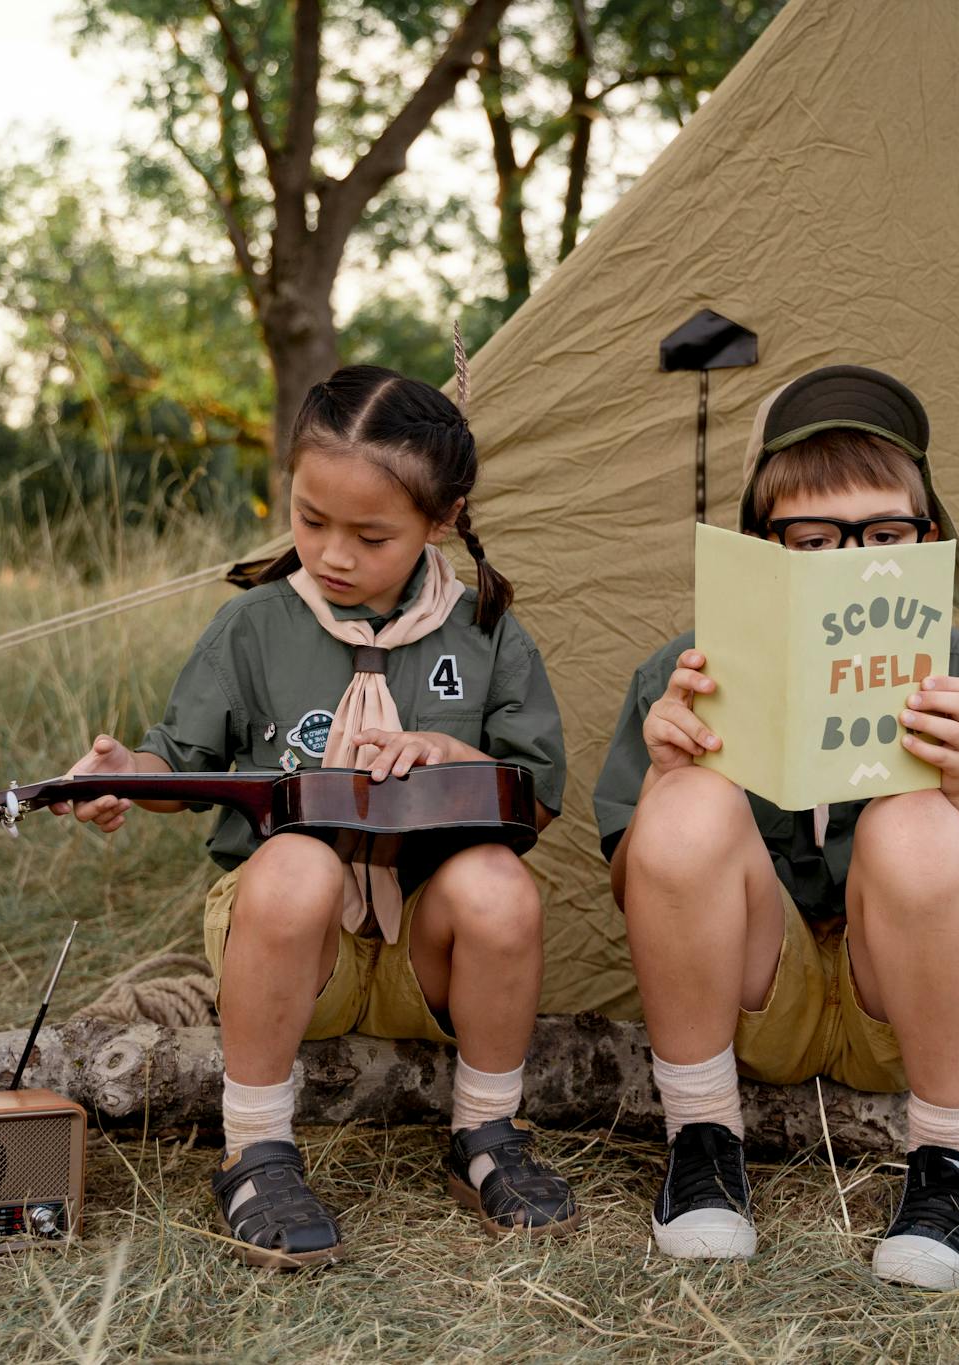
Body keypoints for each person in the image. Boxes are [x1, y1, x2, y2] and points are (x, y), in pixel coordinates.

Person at [57, 364, 578, 1269]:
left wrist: (457, 759)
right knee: (300, 859)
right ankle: (255, 1147)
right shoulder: (255, 625)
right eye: (310, 519)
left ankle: (487, 1133)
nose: (333, 554)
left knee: (500, 883)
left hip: (424, 949)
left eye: (370, 535)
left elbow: (535, 790)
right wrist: (123, 773)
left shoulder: (485, 629)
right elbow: (176, 762)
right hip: (297, 943)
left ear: (441, 519)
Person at [591, 364, 959, 1290]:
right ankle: (702, 1144)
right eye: (812, 540)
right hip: (758, 1000)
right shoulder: (684, 672)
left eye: (885, 535)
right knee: (687, 805)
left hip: (907, 1011)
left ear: (930, 540)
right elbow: (634, 888)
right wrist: (665, 776)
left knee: (914, 823)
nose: (850, 561)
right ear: (761, 548)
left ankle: (952, 1167)